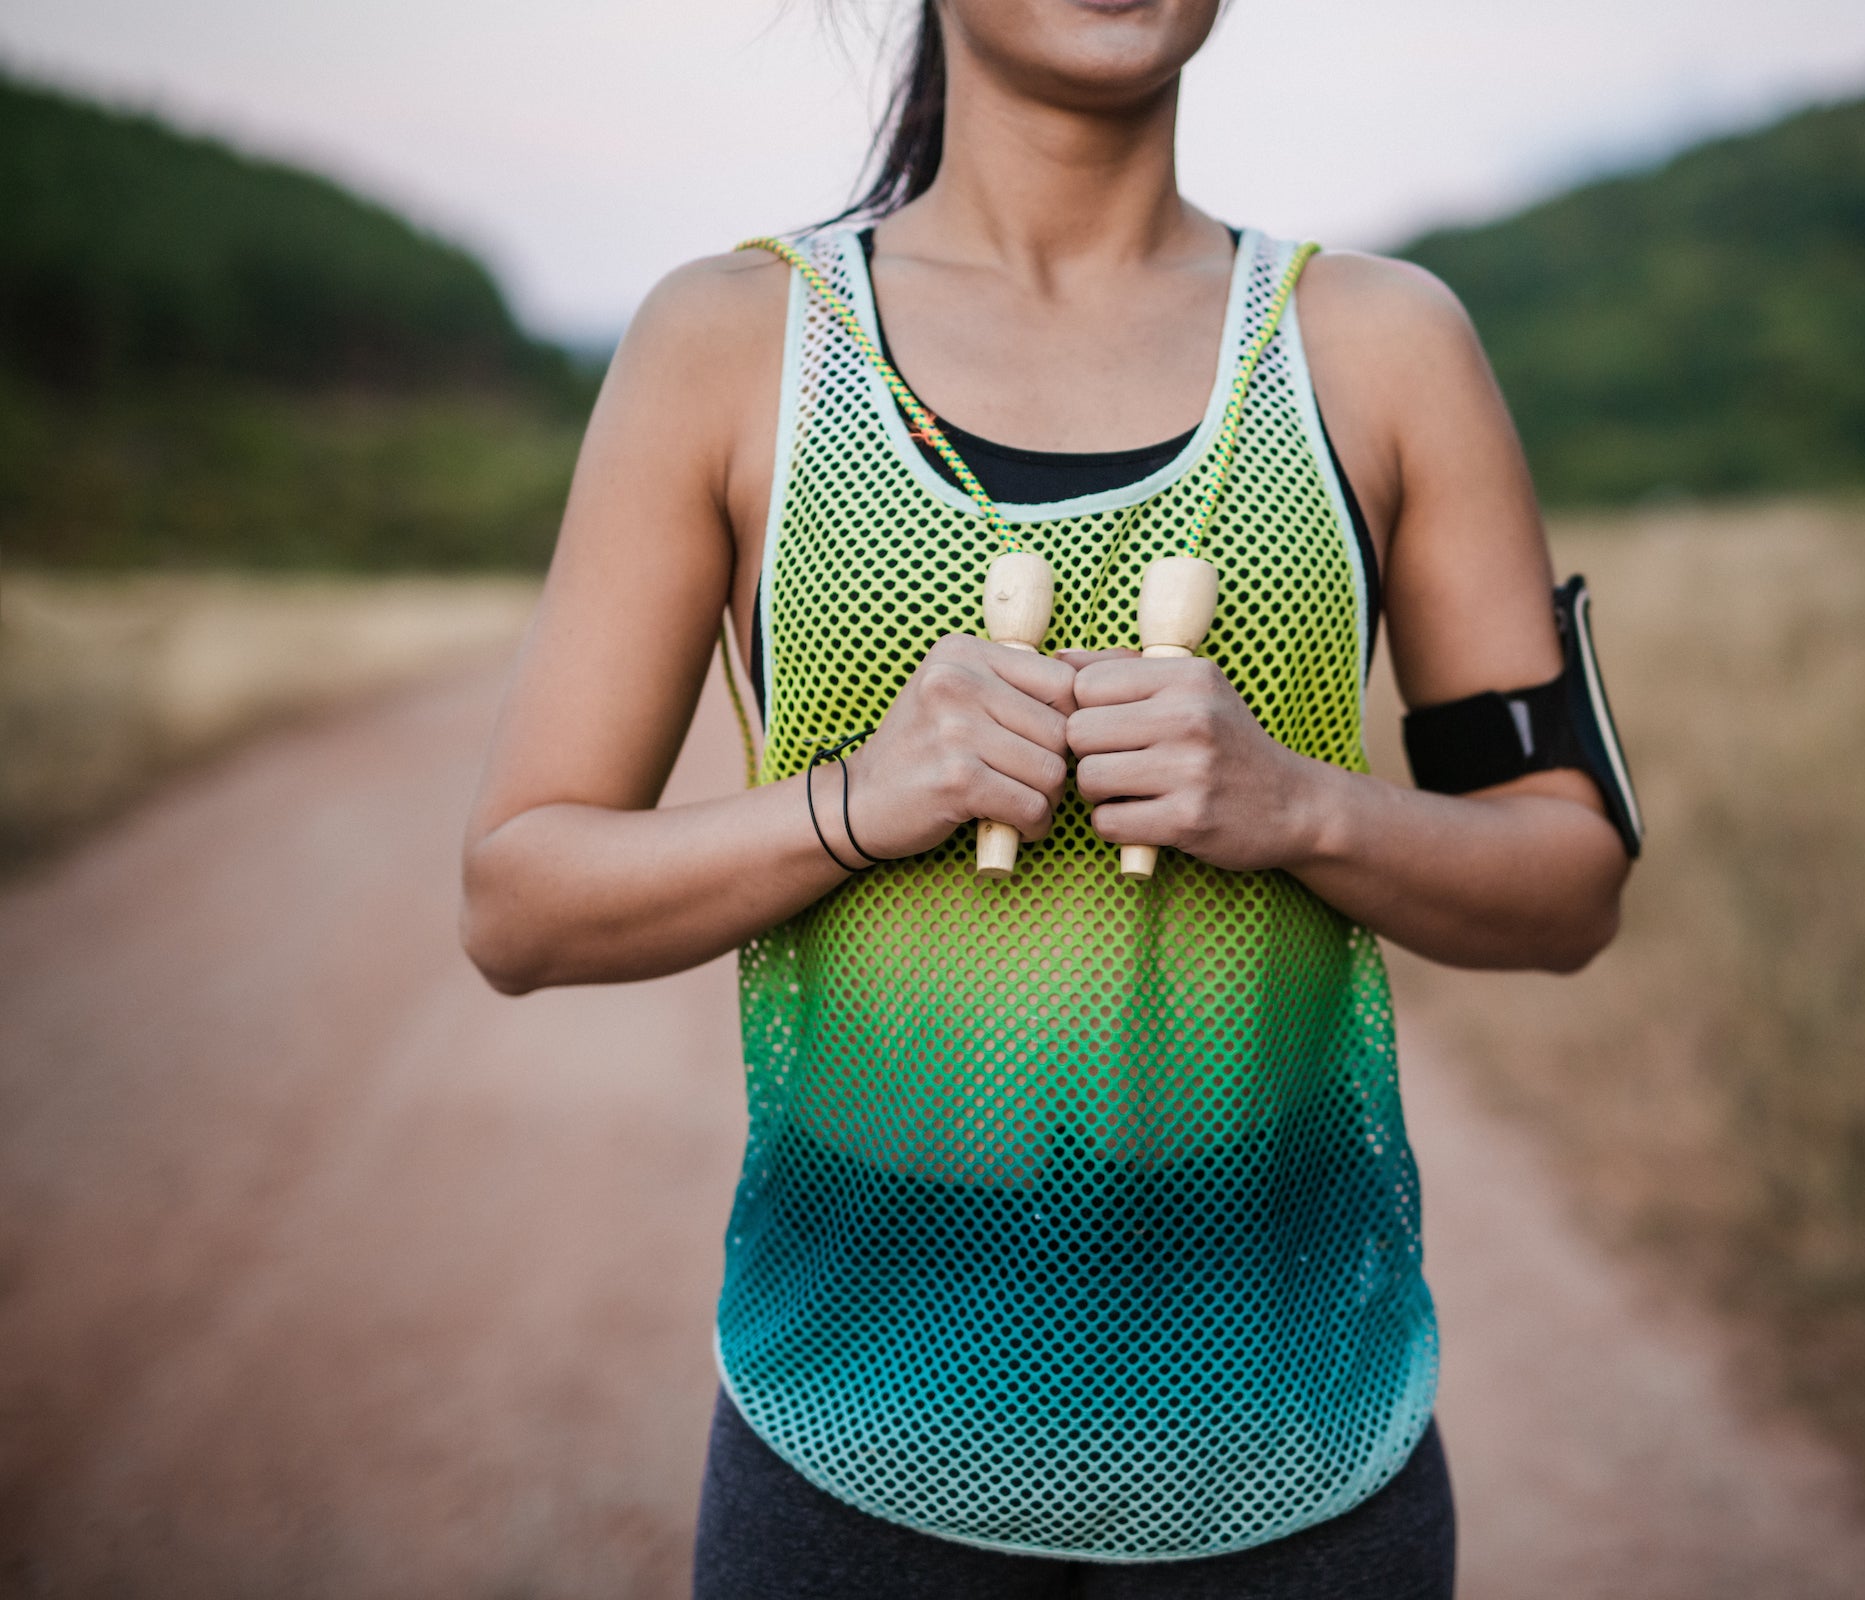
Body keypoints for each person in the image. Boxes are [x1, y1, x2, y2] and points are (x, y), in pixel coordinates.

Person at [461, 0, 1631, 1593]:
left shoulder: (1382, 344)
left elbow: (1568, 882)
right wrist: (855, 806)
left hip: (1294, 1457)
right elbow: (519, 899)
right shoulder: (731, 343)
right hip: (854, 1453)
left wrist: (1301, 808)